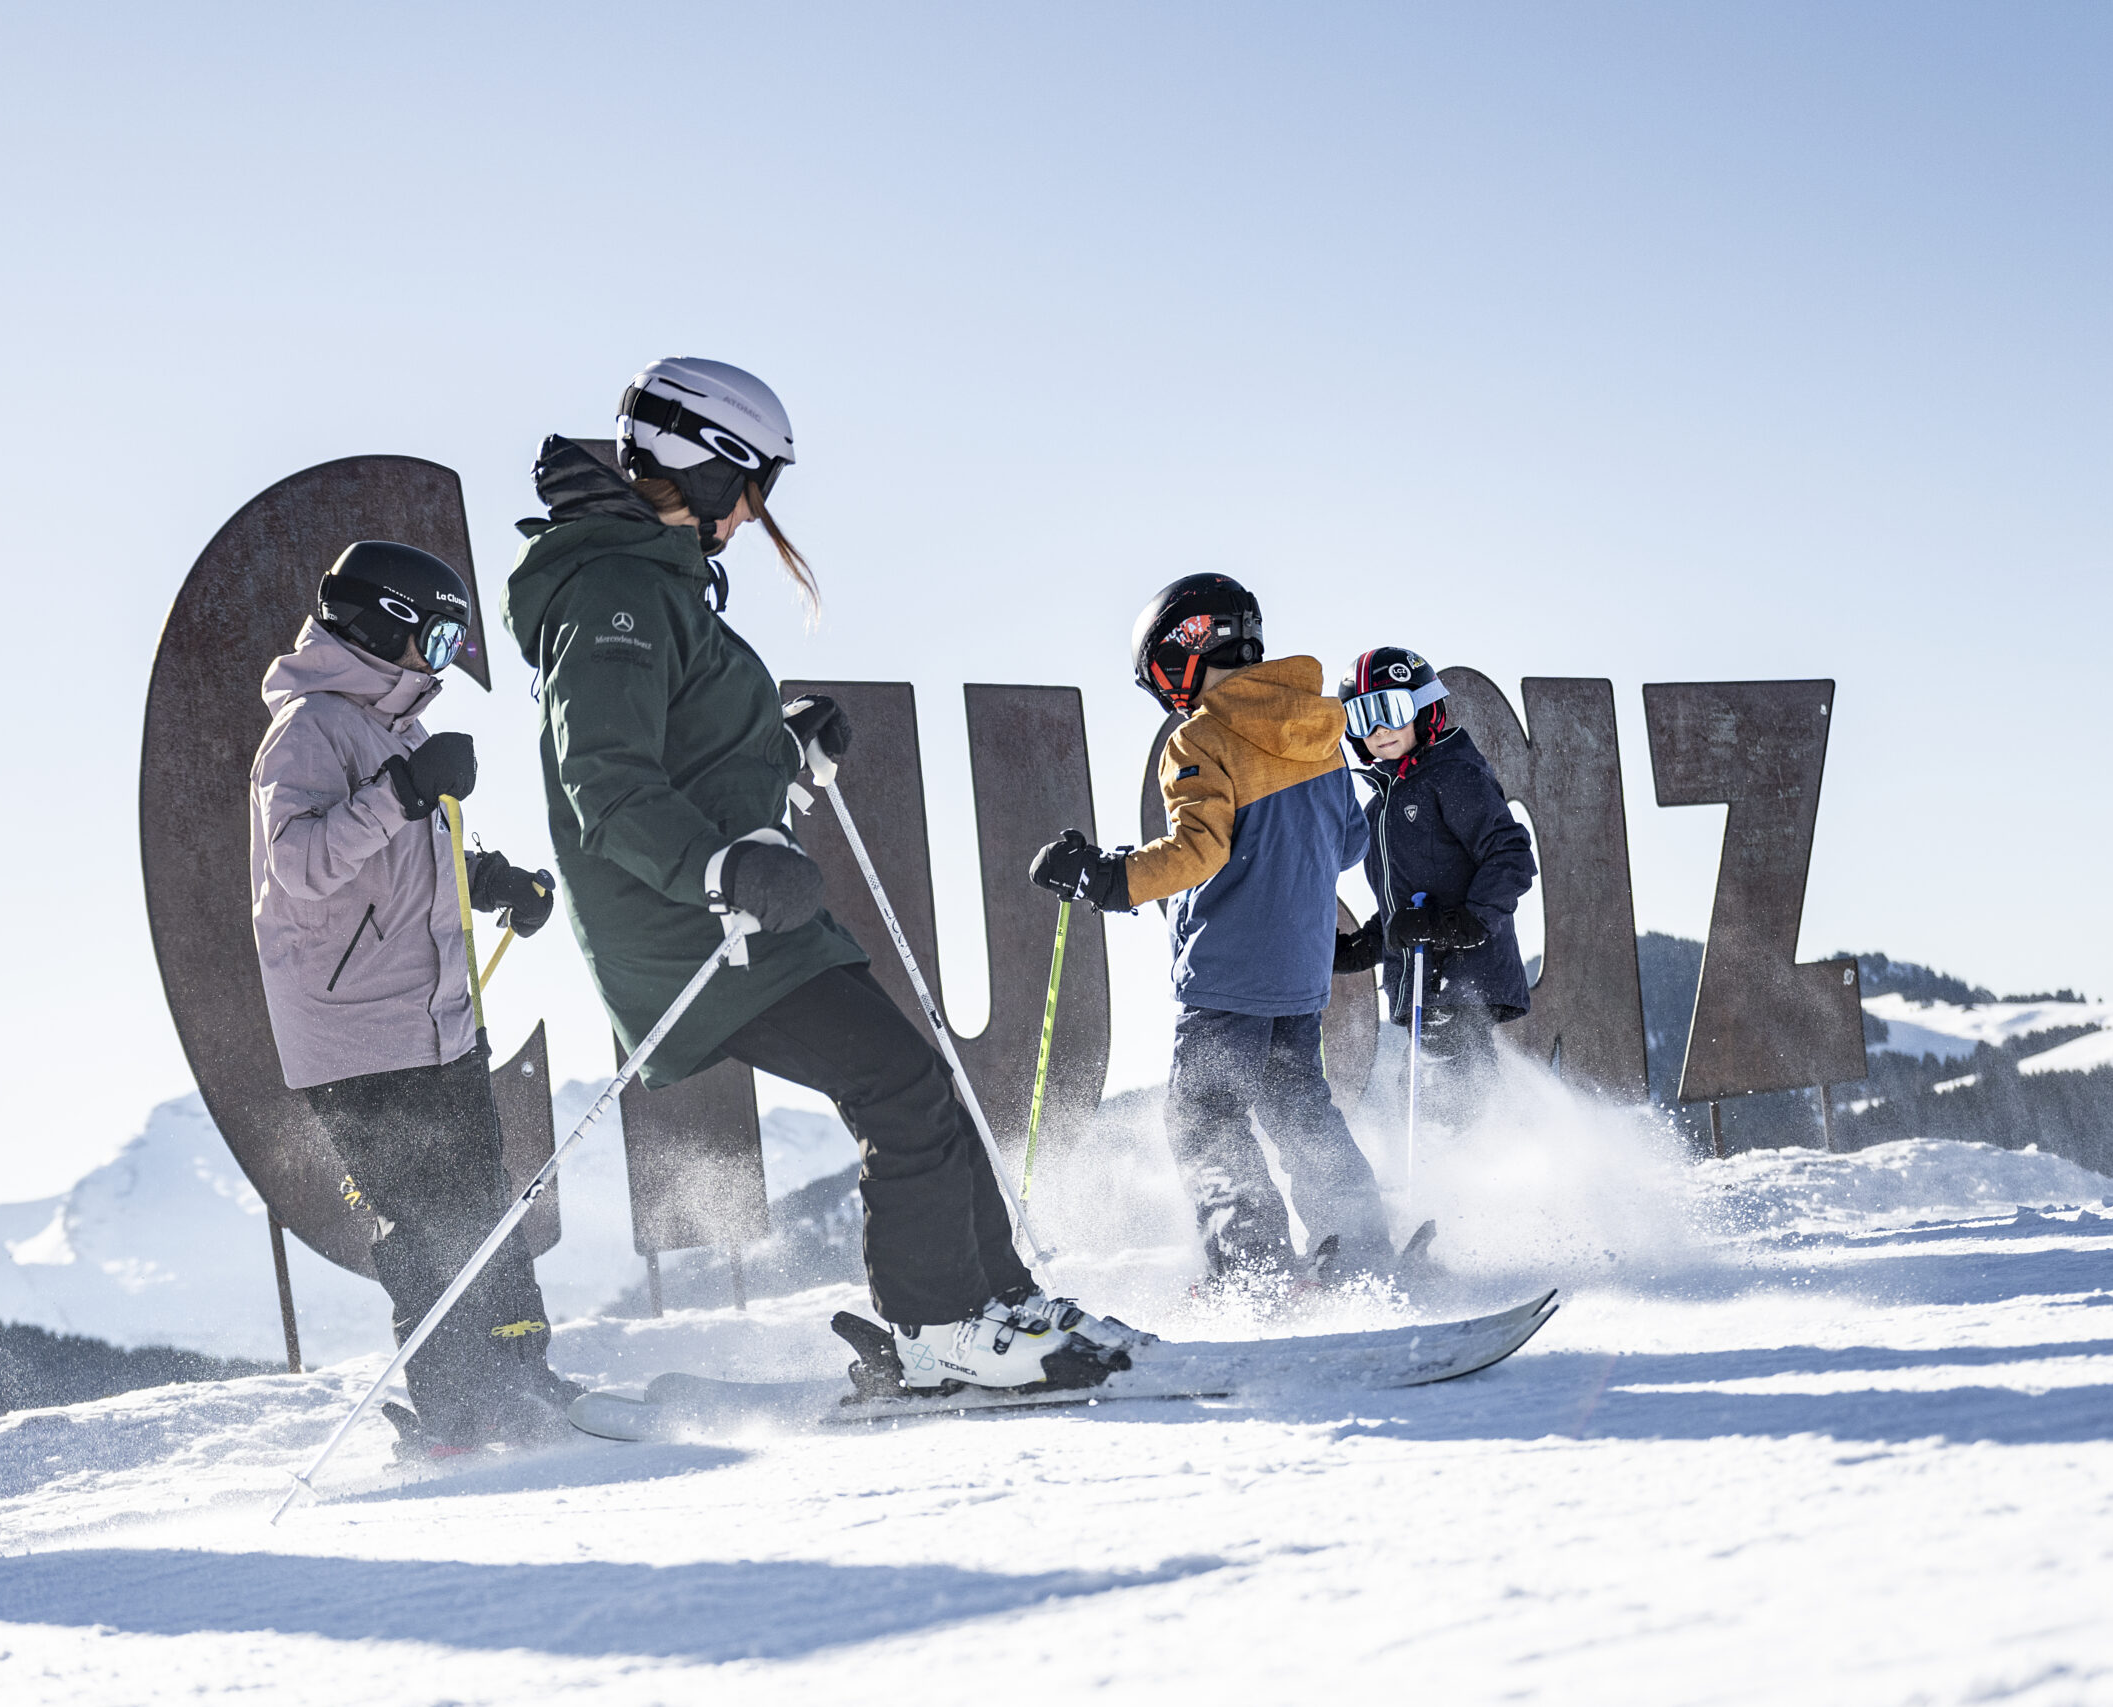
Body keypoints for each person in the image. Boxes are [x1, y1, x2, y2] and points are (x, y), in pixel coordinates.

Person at [502, 357, 1129, 1393]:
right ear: (703, 464)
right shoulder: (612, 589)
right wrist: (717, 862)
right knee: (897, 1086)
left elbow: (689, 745)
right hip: (695, 928)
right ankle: (941, 1329)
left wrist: (783, 747)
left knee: (923, 1086)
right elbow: (604, 784)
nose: (754, 512)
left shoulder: (655, 583)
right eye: (750, 484)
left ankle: (997, 1306)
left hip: (751, 916)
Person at [248, 540, 575, 1454]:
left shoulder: (398, 730)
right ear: (380, 623)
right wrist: (399, 793)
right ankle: (456, 1410)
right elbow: (301, 867)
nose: (441, 659)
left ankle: (520, 1372)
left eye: (452, 641)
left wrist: (495, 878)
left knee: (482, 1200)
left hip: (434, 1019)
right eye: (433, 636)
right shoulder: (308, 729)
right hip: (355, 1034)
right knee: (425, 1222)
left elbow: (401, 867)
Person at [1030, 574, 1394, 1293]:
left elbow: (1199, 850)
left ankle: (1251, 1271)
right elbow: (1350, 842)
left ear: (1186, 653)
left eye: (1160, 673)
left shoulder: (1200, 737)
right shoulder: (1318, 732)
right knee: (1298, 1109)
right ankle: (1362, 1247)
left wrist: (1105, 876)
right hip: (1299, 976)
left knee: (1203, 1117)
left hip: (1227, 976)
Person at [1333, 647, 1537, 1128]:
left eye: (1391, 711)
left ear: (1424, 710)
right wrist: (1372, 942)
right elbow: (1406, 905)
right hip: (1425, 981)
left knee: (1442, 1091)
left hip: (1461, 974)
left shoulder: (1452, 775)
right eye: (1362, 716)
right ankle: (1468, 1180)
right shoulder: (1379, 808)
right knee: (1425, 1092)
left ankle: (1468, 1184)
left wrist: (1462, 922)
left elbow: (1510, 855)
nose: (1378, 730)